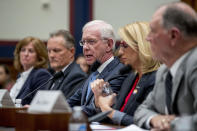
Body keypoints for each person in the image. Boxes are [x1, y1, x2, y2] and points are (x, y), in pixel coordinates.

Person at [134, 2, 197, 131]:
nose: (147, 38)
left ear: (174, 35)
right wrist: (155, 119)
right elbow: (141, 110)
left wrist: (171, 126)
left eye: (152, 31)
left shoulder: (194, 63)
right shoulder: (164, 71)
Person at [91, 22, 160, 126]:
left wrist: (107, 109)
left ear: (142, 46)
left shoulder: (157, 79)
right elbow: (115, 116)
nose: (119, 52)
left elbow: (147, 123)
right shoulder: (131, 76)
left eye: (125, 46)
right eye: (120, 46)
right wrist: (99, 99)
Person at [67, 20, 127, 117]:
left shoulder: (119, 72)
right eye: (83, 42)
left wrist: (66, 112)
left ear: (109, 45)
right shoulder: (95, 72)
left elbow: (98, 109)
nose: (85, 47)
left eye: (91, 41)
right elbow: (72, 101)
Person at [10, 36, 51, 105]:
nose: (26, 54)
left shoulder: (41, 74)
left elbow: (40, 105)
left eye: (31, 51)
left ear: (39, 56)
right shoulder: (21, 75)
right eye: (23, 50)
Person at [46, 29, 87, 98]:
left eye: (56, 50)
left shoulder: (77, 76)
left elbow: (64, 106)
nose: (51, 55)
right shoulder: (54, 74)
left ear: (71, 52)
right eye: (49, 51)